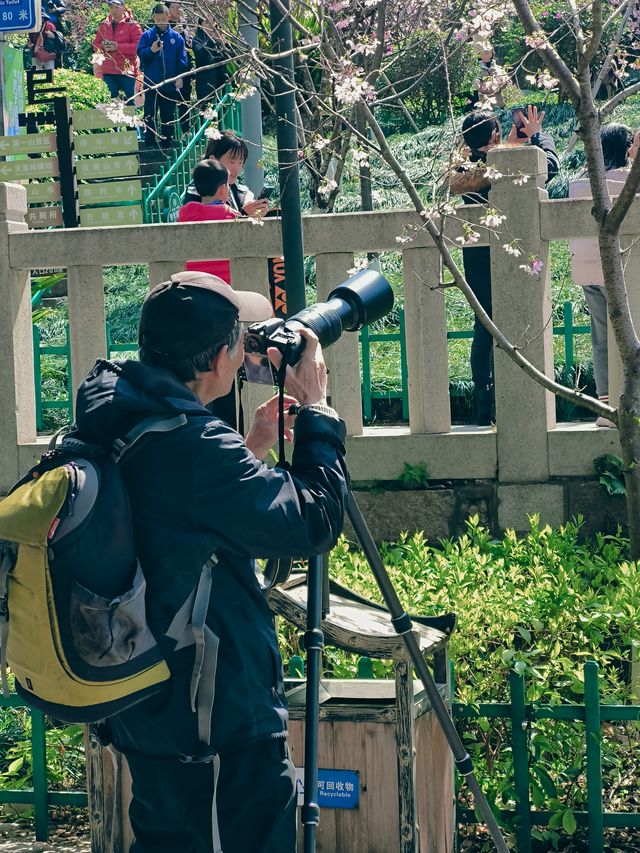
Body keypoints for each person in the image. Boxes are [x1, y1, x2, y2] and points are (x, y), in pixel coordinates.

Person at [72, 271, 347, 853]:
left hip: (150, 697)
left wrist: (252, 449)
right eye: (239, 341)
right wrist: (319, 414)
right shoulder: (194, 447)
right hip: (214, 715)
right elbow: (312, 524)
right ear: (219, 358)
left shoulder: (122, 417)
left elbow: (176, 527)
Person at [448, 106, 559, 424]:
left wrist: (507, 145)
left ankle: (485, 407)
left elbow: (471, 174)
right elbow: (549, 167)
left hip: (476, 258)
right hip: (512, 252)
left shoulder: (464, 171)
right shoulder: (500, 166)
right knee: (516, 323)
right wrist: (537, 135)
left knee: (484, 326)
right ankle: (516, 401)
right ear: (494, 135)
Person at [568, 123, 637, 428]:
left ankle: (605, 406)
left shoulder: (579, 182)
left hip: (586, 268)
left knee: (600, 337)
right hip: (623, 268)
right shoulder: (629, 180)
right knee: (630, 334)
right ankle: (631, 401)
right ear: (625, 148)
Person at [137, 3, 188, 148]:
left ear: (168, 17)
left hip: (170, 84)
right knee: (150, 113)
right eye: (157, 19)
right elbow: (141, 55)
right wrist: (151, 50)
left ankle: (167, 141)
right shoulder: (147, 35)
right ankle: (150, 141)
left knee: (167, 114)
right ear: (153, 18)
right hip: (152, 83)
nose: (160, 22)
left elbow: (182, 59)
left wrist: (180, 76)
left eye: (162, 18)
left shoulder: (176, 37)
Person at [183, 130, 269, 217]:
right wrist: (244, 214)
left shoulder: (238, 190)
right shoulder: (198, 188)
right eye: (232, 162)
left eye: (240, 162)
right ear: (213, 160)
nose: (237, 169)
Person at [177, 159, 237, 282]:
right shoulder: (230, 216)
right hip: (225, 282)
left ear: (198, 190)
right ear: (223, 189)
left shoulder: (185, 215)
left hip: (193, 281)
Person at [93, 0, 142, 101]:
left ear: (123, 7)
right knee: (110, 103)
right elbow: (95, 44)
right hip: (108, 70)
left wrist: (117, 47)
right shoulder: (104, 25)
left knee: (131, 103)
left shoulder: (133, 25)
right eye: (111, 7)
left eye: (116, 7)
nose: (113, 10)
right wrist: (103, 47)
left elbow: (138, 47)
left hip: (127, 71)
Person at [166, 1, 193, 134]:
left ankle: (186, 130)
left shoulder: (184, 23)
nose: (177, 9)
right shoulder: (165, 24)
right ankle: (171, 133)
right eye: (173, 7)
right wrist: (172, 33)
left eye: (179, 7)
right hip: (170, 70)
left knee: (185, 101)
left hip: (185, 69)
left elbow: (188, 44)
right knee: (169, 103)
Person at [192, 16, 228, 107]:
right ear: (200, 26)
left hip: (221, 79)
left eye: (212, 22)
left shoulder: (218, 37)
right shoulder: (197, 39)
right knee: (207, 109)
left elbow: (230, 55)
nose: (211, 25)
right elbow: (200, 53)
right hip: (206, 83)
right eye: (207, 22)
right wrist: (211, 39)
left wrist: (223, 43)